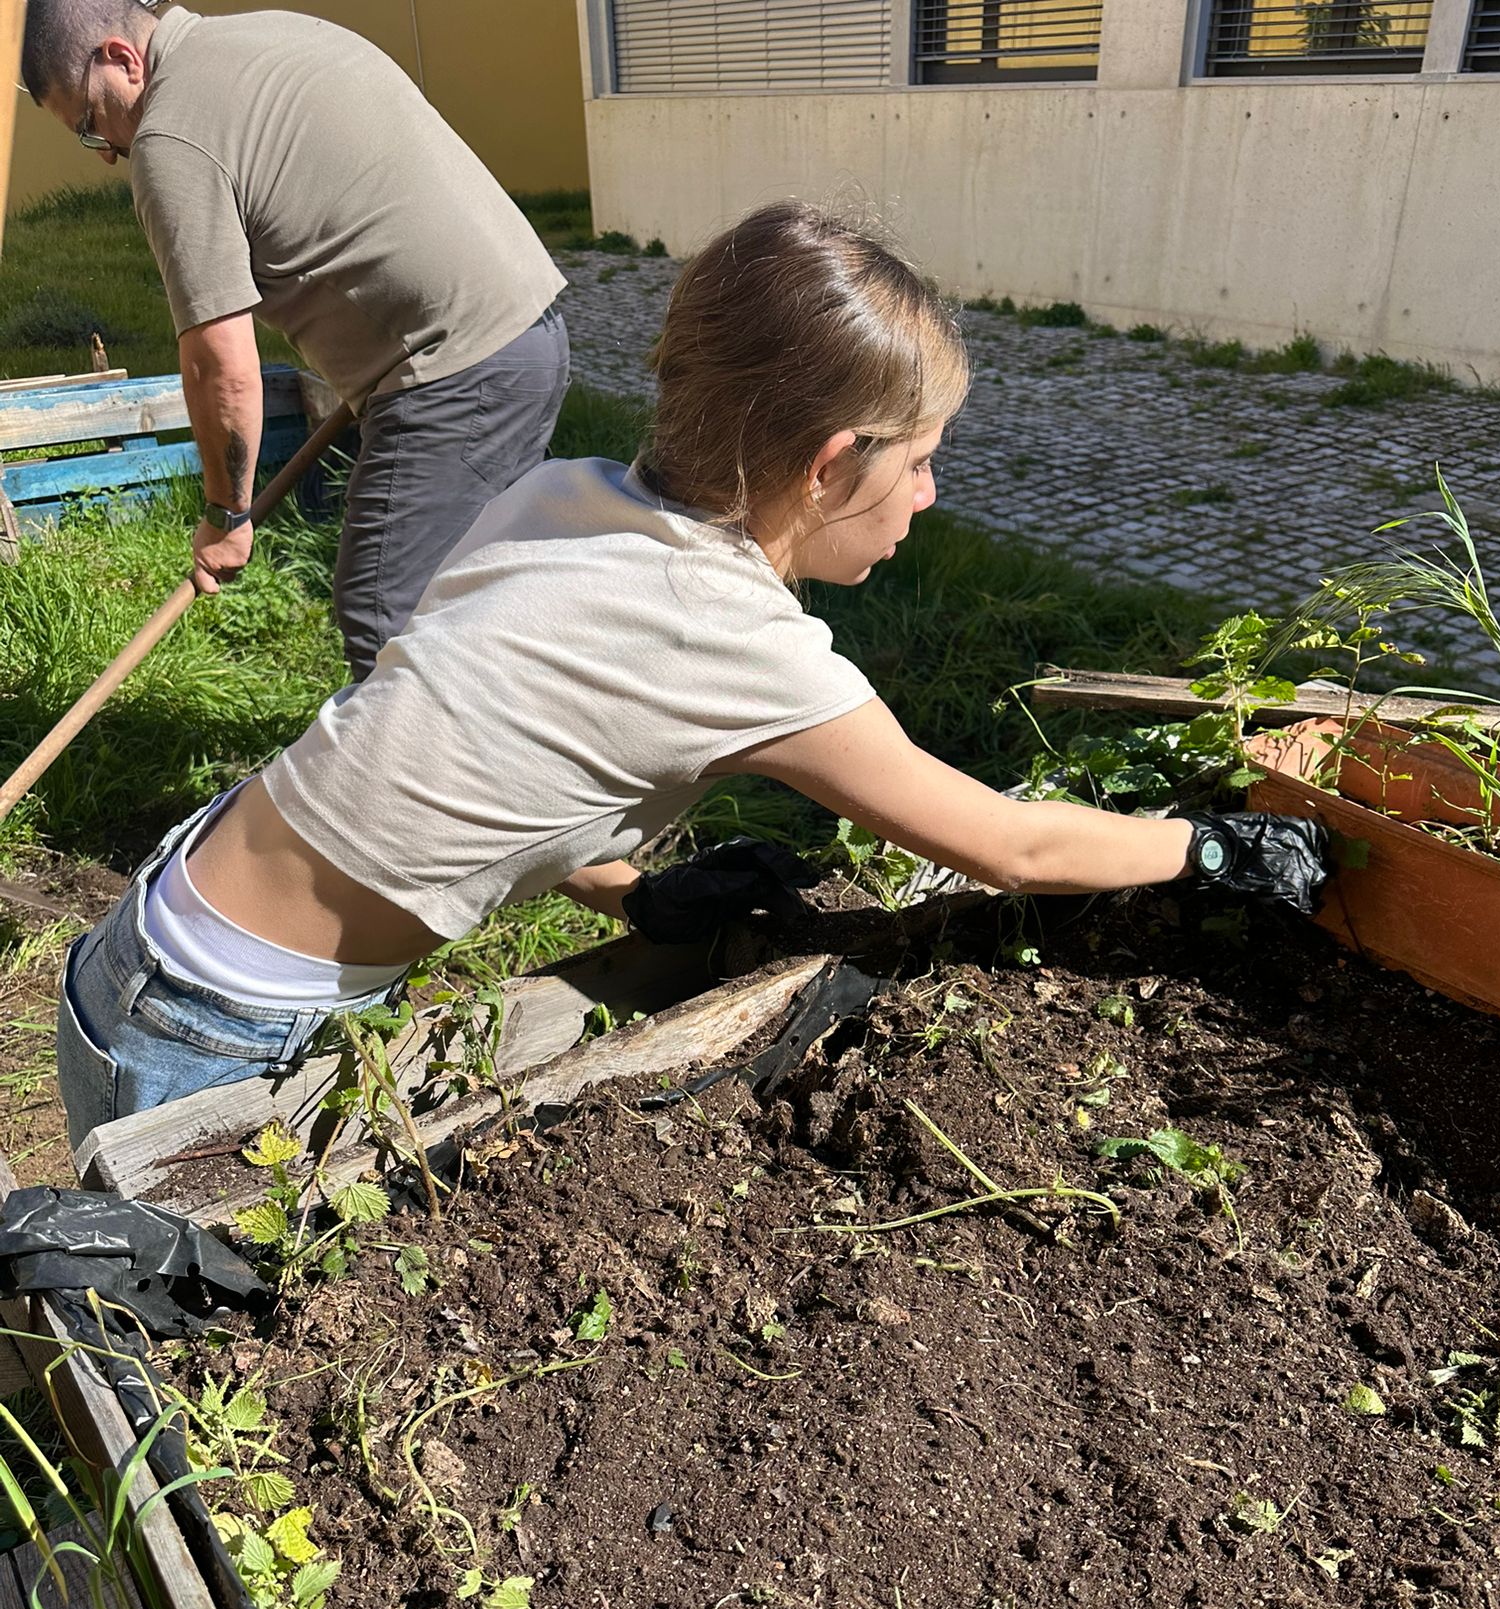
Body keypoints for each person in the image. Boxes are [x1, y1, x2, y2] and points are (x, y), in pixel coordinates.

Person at [54, 201, 1326, 1149]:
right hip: (212, 1037)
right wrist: (1207, 849)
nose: (930, 497)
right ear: (831, 466)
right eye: (925, 462)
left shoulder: (563, 493)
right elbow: (1014, 847)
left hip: (157, 941)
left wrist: (633, 895)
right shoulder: (736, 637)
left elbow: (469, 735)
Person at [22, 0, 570, 682]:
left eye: (88, 123)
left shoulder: (170, 142)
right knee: (475, 593)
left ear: (121, 58)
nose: (106, 153)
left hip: (454, 370)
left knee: (384, 615)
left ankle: (414, 784)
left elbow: (220, 367)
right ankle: (527, 756)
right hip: (530, 328)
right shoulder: (272, 30)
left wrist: (226, 515)